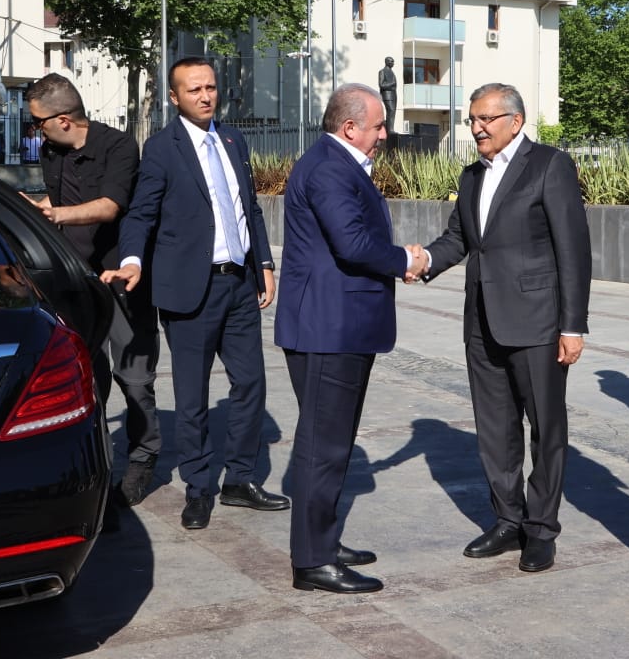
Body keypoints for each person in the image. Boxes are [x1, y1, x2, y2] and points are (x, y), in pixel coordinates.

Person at [101, 58, 287, 530]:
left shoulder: (234, 139)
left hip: (239, 283)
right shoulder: (162, 149)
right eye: (194, 89)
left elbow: (249, 209)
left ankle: (240, 479)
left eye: (210, 87)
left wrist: (264, 265)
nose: (205, 96)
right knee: (192, 397)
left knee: (251, 384)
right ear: (174, 97)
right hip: (190, 291)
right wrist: (133, 260)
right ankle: (198, 488)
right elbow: (141, 213)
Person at [418, 83, 591, 574]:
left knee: (546, 429)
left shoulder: (550, 165)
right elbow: (459, 239)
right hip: (482, 321)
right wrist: (421, 260)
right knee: (494, 430)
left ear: (515, 121)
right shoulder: (471, 175)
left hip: (539, 323)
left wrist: (572, 325)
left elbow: (573, 248)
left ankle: (541, 529)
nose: (476, 128)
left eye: (485, 119)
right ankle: (508, 520)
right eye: (472, 119)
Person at [275, 83, 426, 594]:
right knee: (323, 446)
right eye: (379, 126)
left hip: (337, 325)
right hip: (328, 328)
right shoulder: (329, 169)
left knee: (332, 443)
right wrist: (406, 260)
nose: (384, 135)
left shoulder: (335, 164)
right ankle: (313, 561)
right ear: (350, 127)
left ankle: (323, 540)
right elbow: (354, 244)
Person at [25, 74, 161, 508]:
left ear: (63, 120)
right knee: (85, 378)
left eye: (38, 123)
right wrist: (38, 210)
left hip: (121, 278)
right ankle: (94, 465)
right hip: (75, 281)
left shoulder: (119, 146)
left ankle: (142, 457)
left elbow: (109, 207)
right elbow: (58, 202)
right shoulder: (51, 151)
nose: (36, 132)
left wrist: (56, 215)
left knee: (134, 379)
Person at [378, 56, 398, 129]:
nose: (393, 63)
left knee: (393, 112)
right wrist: (391, 84)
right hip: (387, 95)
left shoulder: (392, 72)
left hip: (393, 95)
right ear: (386, 62)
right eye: (391, 61)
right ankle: (390, 130)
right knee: (390, 111)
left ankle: (391, 129)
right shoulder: (382, 71)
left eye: (393, 61)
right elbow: (381, 84)